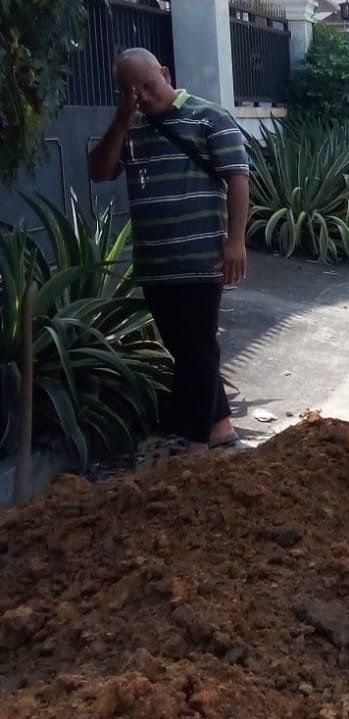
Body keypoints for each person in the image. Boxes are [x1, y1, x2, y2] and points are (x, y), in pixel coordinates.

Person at [88, 48, 249, 456]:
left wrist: (235, 240)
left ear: (165, 73)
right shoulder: (132, 129)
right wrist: (123, 119)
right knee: (184, 347)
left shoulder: (208, 116)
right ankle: (220, 425)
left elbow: (238, 178)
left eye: (148, 84)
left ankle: (196, 443)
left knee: (197, 348)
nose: (141, 95)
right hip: (155, 262)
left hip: (199, 259)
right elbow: (100, 171)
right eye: (130, 90)